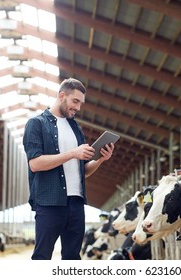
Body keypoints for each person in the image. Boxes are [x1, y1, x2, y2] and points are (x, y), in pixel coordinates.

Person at [22, 77, 115, 260]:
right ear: (62, 95)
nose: (78, 107)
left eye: (81, 103)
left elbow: (83, 171)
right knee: (42, 256)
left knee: (73, 257)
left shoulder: (76, 128)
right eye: (75, 101)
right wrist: (73, 153)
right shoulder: (37, 124)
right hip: (49, 202)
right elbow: (35, 163)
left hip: (76, 202)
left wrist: (101, 159)